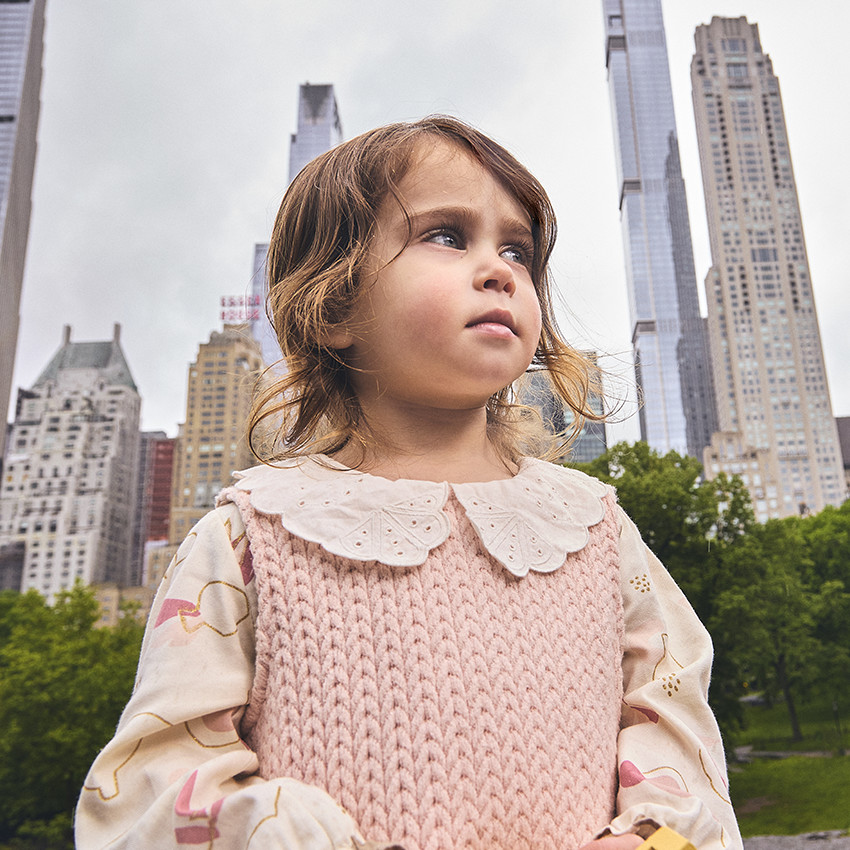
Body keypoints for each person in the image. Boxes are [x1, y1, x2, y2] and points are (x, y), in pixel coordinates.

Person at [76, 116, 742, 850]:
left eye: (517, 250)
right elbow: (154, 784)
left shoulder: (598, 530)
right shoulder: (248, 537)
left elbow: (677, 732)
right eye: (448, 236)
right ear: (334, 307)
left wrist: (649, 836)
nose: (499, 270)